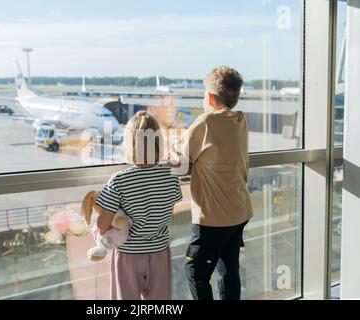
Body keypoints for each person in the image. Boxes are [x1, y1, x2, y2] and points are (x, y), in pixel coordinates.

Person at [168, 66, 253, 300]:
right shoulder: (240, 120)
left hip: (213, 218)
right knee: (229, 271)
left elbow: (180, 158)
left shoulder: (205, 122)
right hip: (238, 210)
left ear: (210, 97)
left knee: (195, 270)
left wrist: (171, 149)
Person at [94, 111, 183, 300]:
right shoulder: (170, 175)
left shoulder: (119, 180)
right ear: (158, 142)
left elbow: (103, 224)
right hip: (159, 251)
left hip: (129, 254)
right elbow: (168, 210)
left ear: (129, 144)